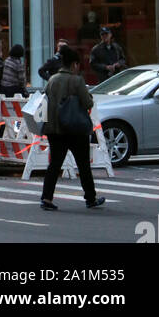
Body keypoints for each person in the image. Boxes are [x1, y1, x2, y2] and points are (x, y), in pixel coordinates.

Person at [40, 45, 105, 211]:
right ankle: (90, 198)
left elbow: (45, 100)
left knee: (54, 164)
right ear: (74, 64)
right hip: (75, 129)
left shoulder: (52, 80)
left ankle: (46, 198)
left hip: (55, 129)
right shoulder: (77, 81)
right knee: (83, 165)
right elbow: (88, 103)